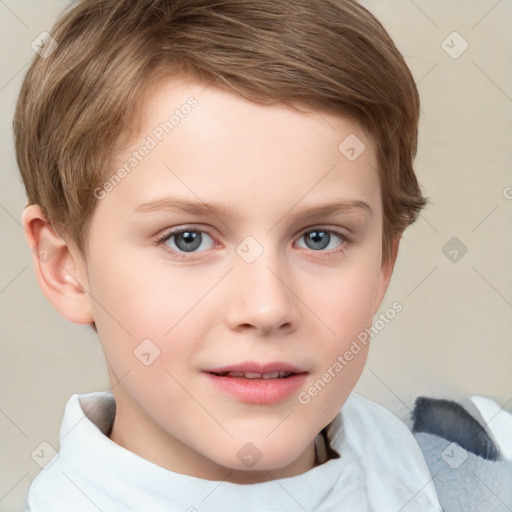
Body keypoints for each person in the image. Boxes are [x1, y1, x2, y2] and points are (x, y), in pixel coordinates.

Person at [14, 0, 443, 510]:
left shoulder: (463, 466)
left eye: (319, 238)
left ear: (382, 265)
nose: (266, 309)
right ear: (66, 268)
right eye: (187, 239)